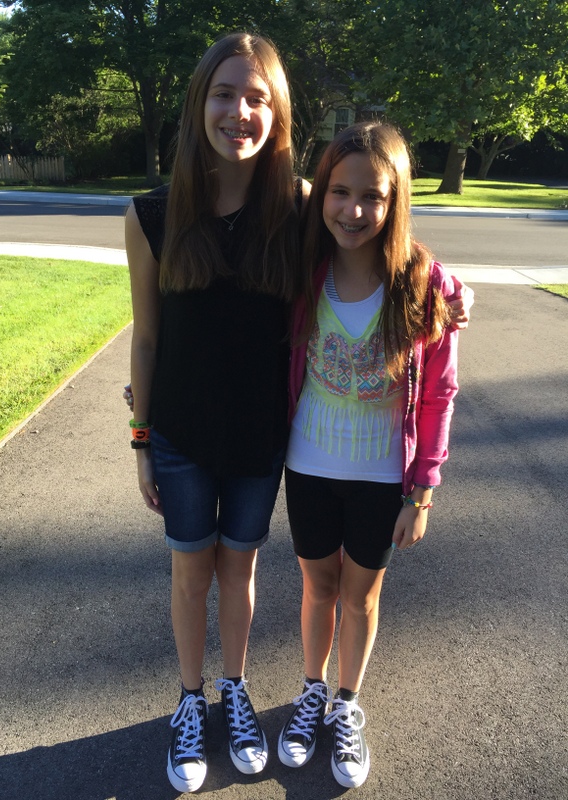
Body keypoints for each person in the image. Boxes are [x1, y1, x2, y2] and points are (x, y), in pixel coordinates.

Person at [125, 32, 308, 793]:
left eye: (257, 97)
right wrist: (141, 440)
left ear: (278, 113)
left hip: (260, 436)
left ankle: (235, 689)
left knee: (241, 569)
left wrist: (442, 299)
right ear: (200, 104)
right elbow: (146, 337)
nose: (240, 112)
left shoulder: (299, 209)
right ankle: (189, 699)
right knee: (190, 572)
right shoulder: (151, 215)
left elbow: (378, 252)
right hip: (180, 434)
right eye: (225, 94)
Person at [277, 121, 460, 789]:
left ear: (395, 200)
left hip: (383, 477)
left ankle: (346, 703)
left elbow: (439, 392)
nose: (354, 210)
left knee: (359, 597)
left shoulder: (425, 284)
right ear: (320, 193)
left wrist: (423, 492)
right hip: (308, 466)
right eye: (340, 192)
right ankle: (312, 691)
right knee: (318, 588)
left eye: (373, 196)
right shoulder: (303, 273)